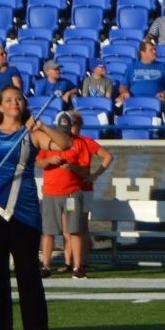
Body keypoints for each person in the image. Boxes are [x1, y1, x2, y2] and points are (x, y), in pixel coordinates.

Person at [0, 87, 69, 330]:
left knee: (28, 269)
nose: (14, 103)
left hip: (25, 210)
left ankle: (38, 327)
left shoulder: (32, 134)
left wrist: (41, 125)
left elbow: (65, 145)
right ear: (0, 106)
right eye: (8, 100)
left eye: (19, 99)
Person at [36, 112, 93, 279]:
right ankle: (45, 265)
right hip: (51, 192)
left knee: (75, 230)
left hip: (71, 193)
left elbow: (85, 169)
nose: (64, 132)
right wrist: (49, 161)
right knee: (48, 230)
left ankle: (78, 266)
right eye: (61, 129)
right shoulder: (48, 142)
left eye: (66, 128)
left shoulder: (80, 143)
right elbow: (39, 162)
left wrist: (72, 167)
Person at [60, 111, 112, 278]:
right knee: (70, 227)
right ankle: (70, 261)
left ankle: (80, 262)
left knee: (81, 226)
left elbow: (107, 156)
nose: (71, 127)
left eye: (74, 124)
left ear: (79, 125)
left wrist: (95, 174)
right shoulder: (62, 143)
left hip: (84, 189)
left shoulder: (85, 142)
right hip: (69, 189)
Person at [119, 42, 165, 108]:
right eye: (151, 50)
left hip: (156, 101)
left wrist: (164, 93)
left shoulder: (164, 66)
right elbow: (123, 86)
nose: (154, 51)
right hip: (134, 100)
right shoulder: (131, 67)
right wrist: (125, 92)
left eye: (155, 49)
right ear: (142, 52)